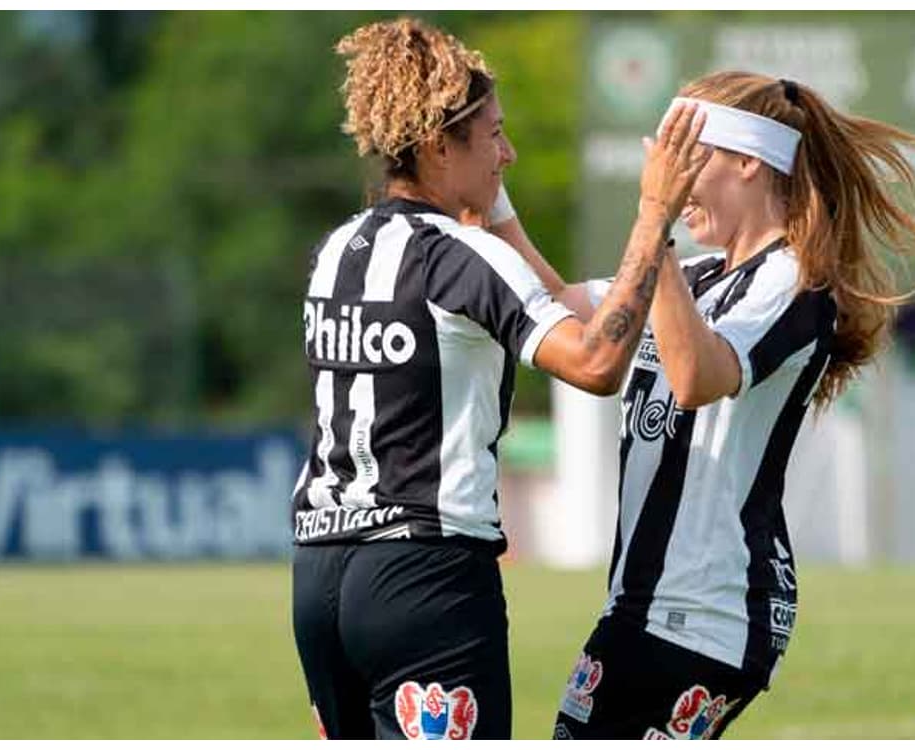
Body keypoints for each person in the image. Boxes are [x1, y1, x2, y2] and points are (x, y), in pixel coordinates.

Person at [290, 18, 710, 740]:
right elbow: (596, 362)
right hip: (426, 579)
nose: (507, 153)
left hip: (319, 576)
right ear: (436, 145)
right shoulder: (456, 256)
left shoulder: (337, 250)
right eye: (493, 136)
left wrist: (495, 205)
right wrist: (653, 216)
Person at [492, 71, 915, 739]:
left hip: (703, 612)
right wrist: (484, 196)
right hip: (650, 605)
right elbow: (557, 304)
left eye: (683, 161)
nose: (669, 180)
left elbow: (698, 374)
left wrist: (655, 224)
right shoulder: (697, 273)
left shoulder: (794, 281)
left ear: (749, 161)